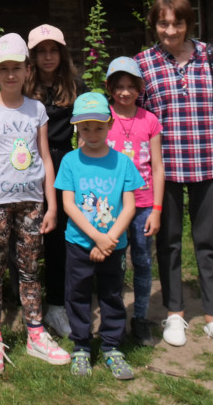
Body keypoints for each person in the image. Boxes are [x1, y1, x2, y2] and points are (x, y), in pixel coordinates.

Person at [134, 0, 213, 351]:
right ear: (154, 24)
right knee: (168, 242)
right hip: (166, 169)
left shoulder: (211, 56)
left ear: (189, 23)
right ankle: (174, 312)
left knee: (208, 243)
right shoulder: (143, 63)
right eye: (163, 22)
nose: (170, 30)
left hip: (209, 163)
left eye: (177, 22)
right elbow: (136, 120)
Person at [0, 33, 68, 375]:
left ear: (27, 70)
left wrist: (52, 205)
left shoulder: (37, 109)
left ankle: (35, 333)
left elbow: (45, 158)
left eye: (17, 68)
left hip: (31, 204)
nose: (11, 74)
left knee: (29, 269)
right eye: (4, 69)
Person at [56, 92, 143, 380]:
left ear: (110, 125)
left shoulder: (123, 163)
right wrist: (96, 237)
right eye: (84, 128)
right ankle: (81, 345)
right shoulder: (70, 161)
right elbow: (68, 204)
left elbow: (129, 205)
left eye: (98, 127)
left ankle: (112, 346)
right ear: (76, 129)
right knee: (77, 294)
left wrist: (111, 239)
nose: (92, 134)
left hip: (114, 246)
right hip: (79, 243)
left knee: (111, 294)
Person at [22, 24, 86, 338]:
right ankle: (27, 305)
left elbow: (89, 127)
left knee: (60, 237)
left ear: (62, 52)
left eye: (53, 50)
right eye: (41, 51)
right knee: (27, 237)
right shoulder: (22, 86)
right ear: (32, 56)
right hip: (28, 164)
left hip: (64, 163)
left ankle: (58, 304)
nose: (48, 57)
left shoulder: (75, 86)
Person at [104, 56, 164, 345]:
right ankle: (113, 318)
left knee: (142, 261)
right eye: (119, 86)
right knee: (113, 263)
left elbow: (157, 166)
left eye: (131, 86)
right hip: (112, 206)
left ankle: (139, 317)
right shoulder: (102, 119)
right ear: (110, 88)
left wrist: (157, 209)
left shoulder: (149, 120)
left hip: (142, 205)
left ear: (140, 88)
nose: (125, 92)